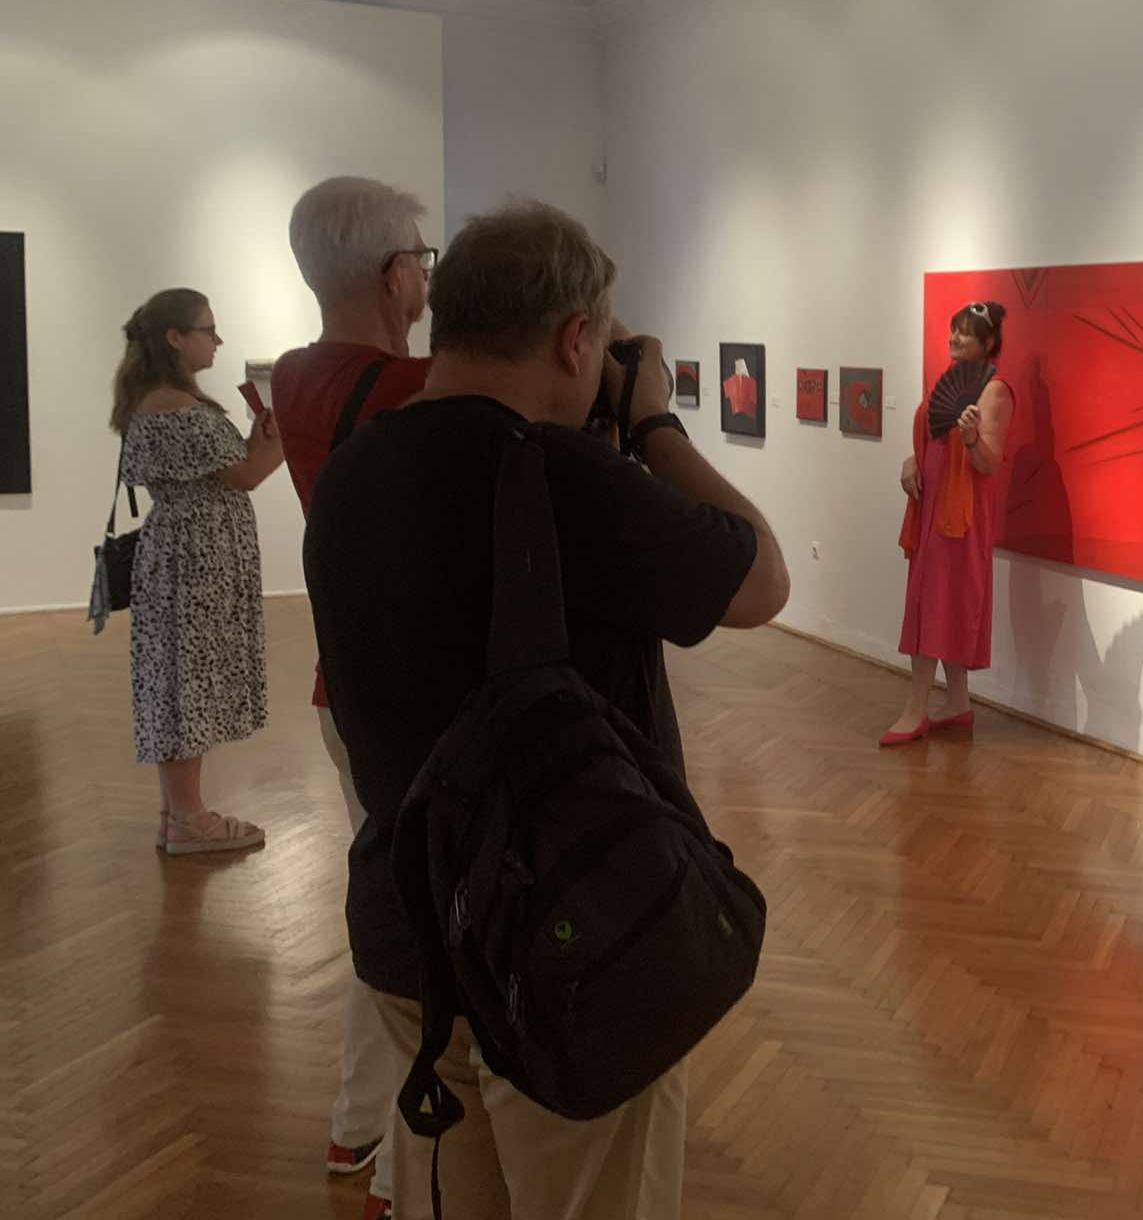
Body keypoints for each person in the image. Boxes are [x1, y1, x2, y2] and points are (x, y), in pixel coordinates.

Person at [304, 200, 789, 1218]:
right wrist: (650, 420)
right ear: (575, 339)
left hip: (410, 930)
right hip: (565, 940)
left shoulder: (352, 472)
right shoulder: (563, 477)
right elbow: (762, 581)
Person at [270, 177, 436, 1215]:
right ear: (393, 274)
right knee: (422, 927)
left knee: (394, 901)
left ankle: (356, 1123)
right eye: (422, 257)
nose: (428, 275)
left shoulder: (293, 374)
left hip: (347, 689)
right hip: (416, 698)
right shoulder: (413, 386)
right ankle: (394, 1173)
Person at [110, 288, 283, 854]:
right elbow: (246, 475)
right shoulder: (175, 407)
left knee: (181, 678)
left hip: (186, 555)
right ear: (175, 338)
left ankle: (178, 813)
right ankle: (188, 818)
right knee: (187, 682)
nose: (218, 340)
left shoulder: (162, 399)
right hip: (194, 562)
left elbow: (231, 468)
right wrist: (283, 439)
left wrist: (257, 443)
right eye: (208, 330)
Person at [885, 301, 1014, 747]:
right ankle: (957, 701)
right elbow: (933, 441)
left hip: (960, 514)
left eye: (966, 332)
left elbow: (989, 462)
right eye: (953, 329)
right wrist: (911, 460)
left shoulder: (995, 392)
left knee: (933, 601)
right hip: (933, 506)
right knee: (942, 600)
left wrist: (972, 438)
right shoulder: (949, 379)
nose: (955, 338)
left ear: (988, 342)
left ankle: (915, 709)